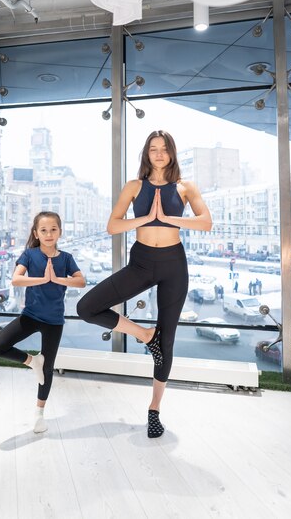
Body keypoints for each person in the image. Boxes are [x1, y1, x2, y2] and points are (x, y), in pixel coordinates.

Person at [77, 130, 212, 438]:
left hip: (173, 265)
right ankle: (143, 334)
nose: (159, 153)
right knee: (87, 307)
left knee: (167, 344)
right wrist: (146, 219)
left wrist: (168, 218)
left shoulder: (185, 187)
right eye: (154, 149)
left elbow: (205, 222)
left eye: (164, 149)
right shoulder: (135, 186)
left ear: (172, 152)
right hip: (141, 263)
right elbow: (113, 225)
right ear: (147, 154)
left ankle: (154, 410)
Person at [0, 211, 85, 433]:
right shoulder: (30, 255)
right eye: (44, 230)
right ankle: (32, 361)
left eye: (53, 229)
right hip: (30, 316)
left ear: (60, 231)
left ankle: (39, 414)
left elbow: (81, 281)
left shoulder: (66, 258)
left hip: (54, 321)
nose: (49, 234)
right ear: (36, 233)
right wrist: (44, 279)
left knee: (48, 368)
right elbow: (16, 279)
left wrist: (57, 279)